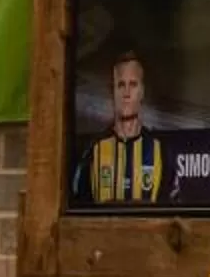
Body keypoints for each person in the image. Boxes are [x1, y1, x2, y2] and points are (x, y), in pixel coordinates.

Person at [70, 49, 165, 205]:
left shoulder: (159, 151)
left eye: (133, 85)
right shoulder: (93, 151)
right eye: (121, 85)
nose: (126, 93)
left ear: (142, 91)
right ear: (112, 92)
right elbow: (79, 206)